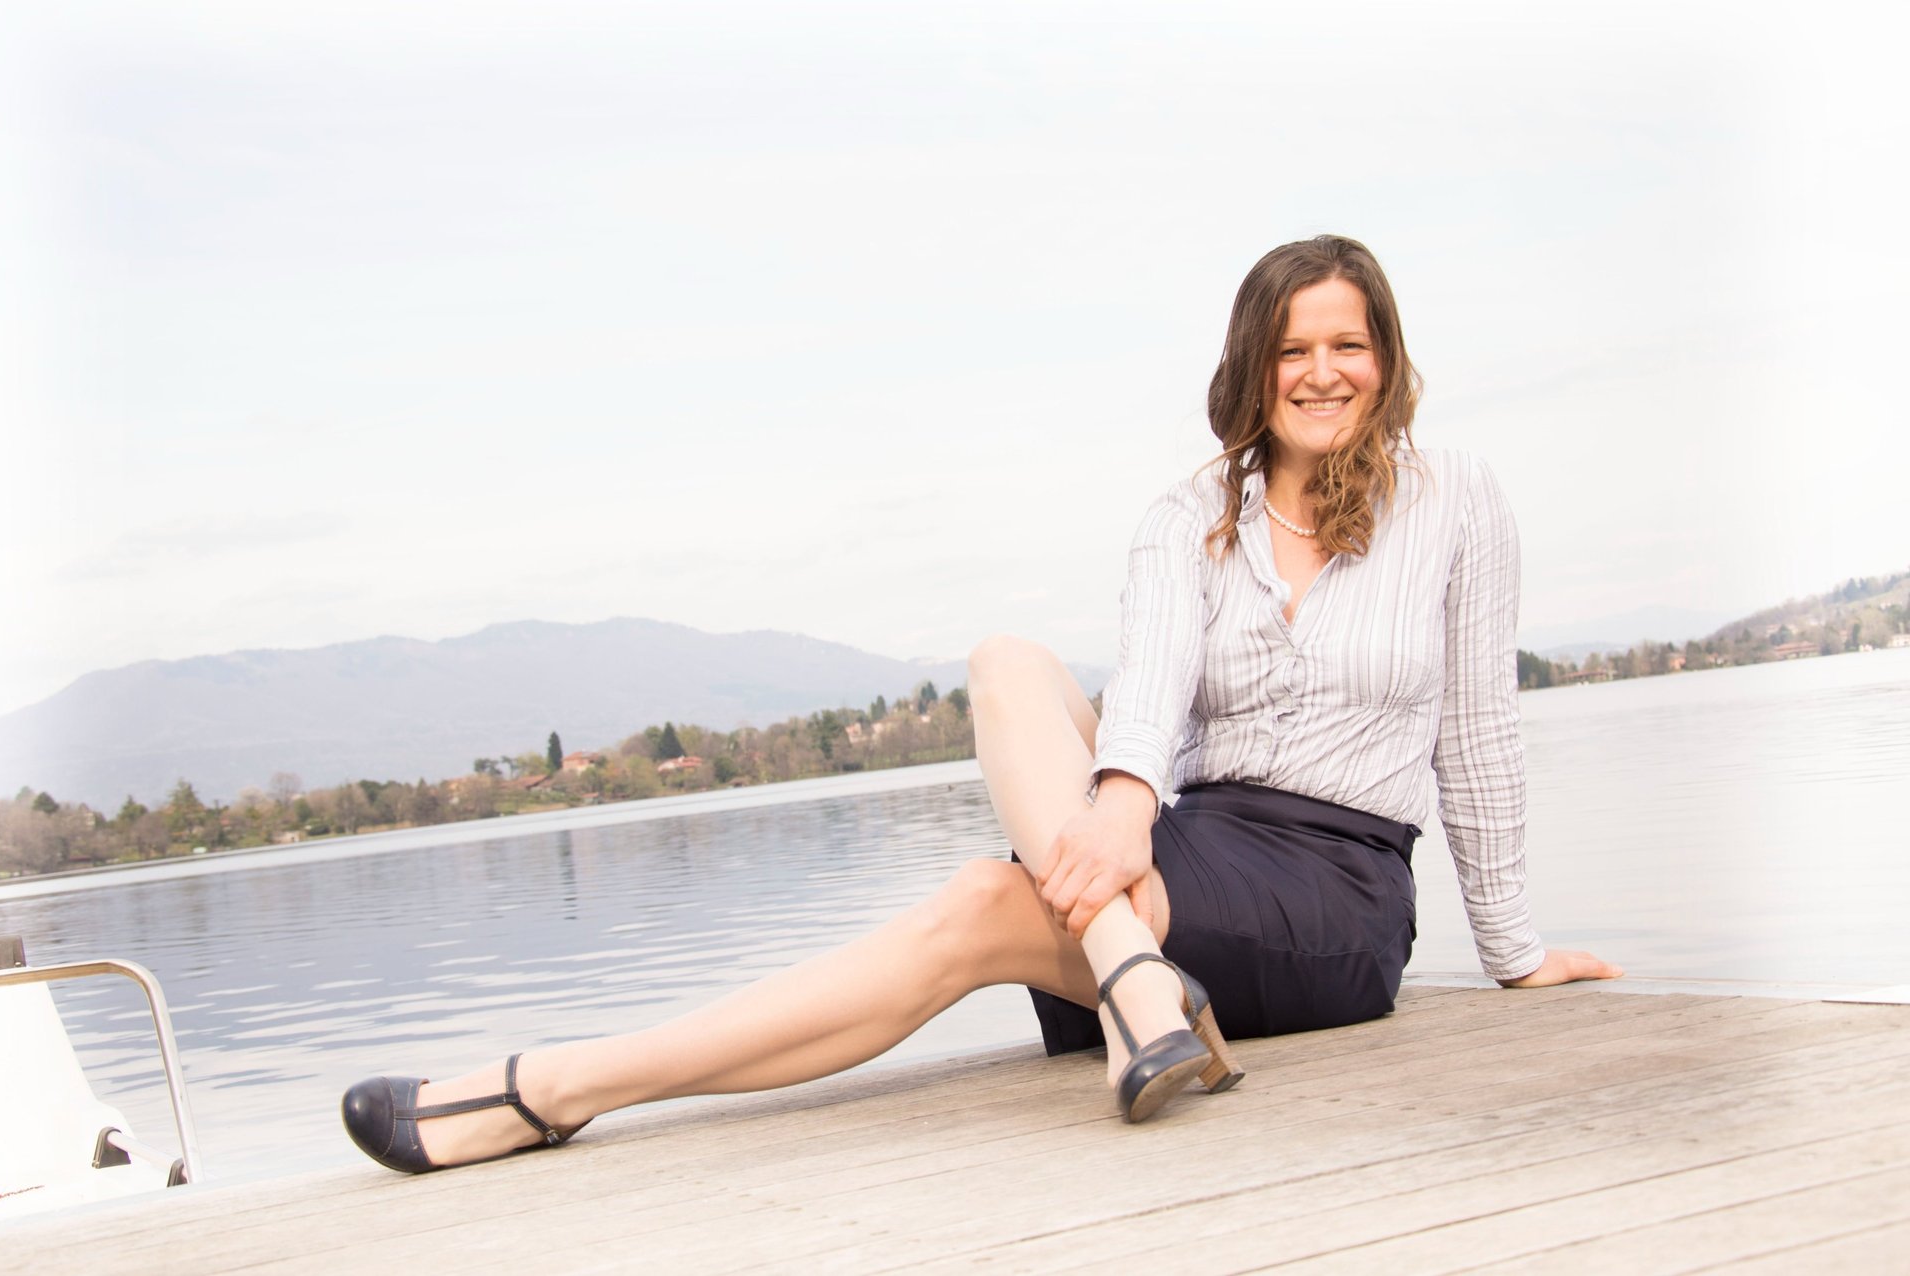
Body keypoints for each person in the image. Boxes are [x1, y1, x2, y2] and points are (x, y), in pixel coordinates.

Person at [340, 234, 1621, 1174]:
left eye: (1350, 344)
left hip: (1334, 888)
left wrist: (1509, 949)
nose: (1323, 372)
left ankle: (548, 1087)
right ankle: (1135, 981)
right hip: (1187, 847)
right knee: (1008, 658)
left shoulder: (1455, 498)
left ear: (1388, 361)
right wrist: (1125, 810)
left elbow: (1478, 732)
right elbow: (1155, 691)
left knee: (976, 901)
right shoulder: (1190, 517)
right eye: (1294, 347)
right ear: (1253, 366)